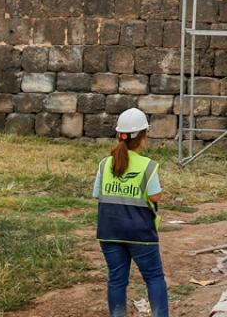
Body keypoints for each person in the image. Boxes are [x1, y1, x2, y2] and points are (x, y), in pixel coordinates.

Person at [94, 107, 168, 317]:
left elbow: (97, 194)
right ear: (143, 137)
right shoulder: (148, 166)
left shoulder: (105, 164)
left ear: (119, 135)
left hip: (109, 231)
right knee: (154, 277)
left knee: (117, 279)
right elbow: (155, 196)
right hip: (140, 233)